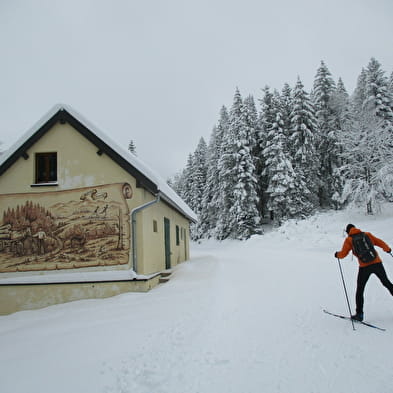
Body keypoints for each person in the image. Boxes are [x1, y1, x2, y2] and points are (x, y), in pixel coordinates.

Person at [334, 224, 393, 321]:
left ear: (348, 232)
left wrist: (337, 255)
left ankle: (359, 314)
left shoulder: (349, 240)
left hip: (364, 267)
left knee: (360, 290)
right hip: (377, 263)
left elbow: (343, 254)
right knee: (387, 283)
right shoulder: (367, 235)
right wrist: (387, 249)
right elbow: (380, 242)